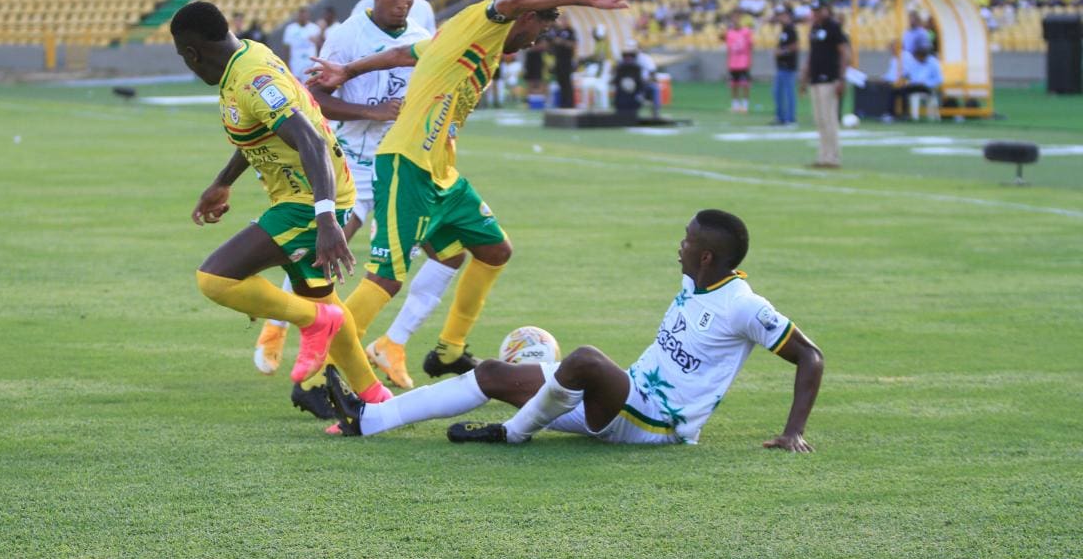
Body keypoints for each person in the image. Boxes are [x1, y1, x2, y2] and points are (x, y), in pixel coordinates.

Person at [308, 0, 642, 385]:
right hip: (407, 163)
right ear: (527, 16)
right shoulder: (483, 21)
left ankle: (449, 352)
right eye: (543, 26)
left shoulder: (472, 42)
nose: (539, 38)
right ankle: (323, 374)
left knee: (493, 250)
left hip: (441, 172)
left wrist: (347, 70)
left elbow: (401, 54)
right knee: (387, 275)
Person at [324, 210, 823, 453]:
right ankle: (370, 418)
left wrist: (793, 432)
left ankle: (511, 435)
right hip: (620, 400)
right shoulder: (696, 283)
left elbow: (810, 357)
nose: (680, 247)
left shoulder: (744, 306)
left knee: (583, 359)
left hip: (656, 423)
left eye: (687, 241)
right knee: (495, 372)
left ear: (708, 256)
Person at [170, 1, 392, 414]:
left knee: (214, 279)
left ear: (191, 53)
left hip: (309, 201)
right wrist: (223, 182)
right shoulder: (248, 57)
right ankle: (377, 400)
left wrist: (325, 218)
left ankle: (310, 321)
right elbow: (261, 131)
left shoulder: (252, 78)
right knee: (328, 303)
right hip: (314, 196)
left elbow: (310, 141)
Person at [255, 0, 463, 394]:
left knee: (451, 251)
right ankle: (277, 325)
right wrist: (372, 111)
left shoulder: (421, 38)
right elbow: (312, 99)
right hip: (354, 164)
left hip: (406, 164)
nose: (403, 2)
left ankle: (395, 343)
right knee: (323, 254)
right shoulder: (346, 37)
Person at [800, 0, 849, 169]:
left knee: (829, 119)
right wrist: (805, 78)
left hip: (829, 78)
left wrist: (842, 78)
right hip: (815, 78)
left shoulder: (834, 27)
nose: (816, 14)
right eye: (814, 11)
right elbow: (811, 55)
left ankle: (833, 157)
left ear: (826, 10)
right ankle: (823, 155)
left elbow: (844, 53)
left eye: (819, 10)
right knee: (819, 120)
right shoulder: (814, 29)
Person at [885, 45, 943, 120]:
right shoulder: (915, 62)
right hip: (914, 86)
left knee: (904, 90)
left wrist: (926, 83)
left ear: (923, 56)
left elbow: (939, 79)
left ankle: (905, 114)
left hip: (927, 87)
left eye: (918, 57)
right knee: (896, 90)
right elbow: (909, 74)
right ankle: (893, 114)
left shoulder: (933, 63)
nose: (917, 59)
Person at [772, 6, 798, 125]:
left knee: (788, 93)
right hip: (781, 66)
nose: (780, 18)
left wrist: (782, 51)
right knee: (777, 92)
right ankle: (780, 116)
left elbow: (795, 46)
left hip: (788, 66)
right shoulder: (784, 30)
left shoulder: (791, 30)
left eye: (783, 15)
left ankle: (790, 117)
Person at [724, 13, 753, 113]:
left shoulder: (746, 32)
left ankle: (745, 106)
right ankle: (735, 106)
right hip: (733, 63)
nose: (735, 21)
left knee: (745, 85)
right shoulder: (729, 33)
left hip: (744, 62)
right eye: (733, 19)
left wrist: (750, 60)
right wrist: (728, 62)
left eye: (737, 18)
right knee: (733, 85)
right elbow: (729, 49)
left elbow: (750, 47)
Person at [280, 7, 321, 77]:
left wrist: (318, 62)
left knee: (311, 83)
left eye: (304, 14)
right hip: (295, 62)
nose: (303, 17)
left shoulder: (315, 28)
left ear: (308, 15)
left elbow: (319, 46)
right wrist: (286, 64)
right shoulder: (290, 29)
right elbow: (286, 47)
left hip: (310, 63)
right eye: (301, 14)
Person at [549, 15, 577, 108]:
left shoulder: (570, 31)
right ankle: (562, 103)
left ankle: (570, 103)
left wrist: (562, 42)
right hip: (558, 59)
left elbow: (573, 45)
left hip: (567, 60)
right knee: (560, 82)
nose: (562, 22)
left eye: (563, 20)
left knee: (567, 82)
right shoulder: (557, 31)